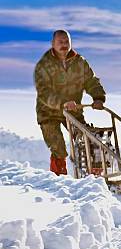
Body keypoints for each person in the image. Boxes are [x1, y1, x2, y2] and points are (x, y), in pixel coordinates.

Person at [34, 29, 106, 175]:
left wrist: (98, 97)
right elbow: (44, 92)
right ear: (53, 43)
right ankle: (59, 179)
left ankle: (97, 177)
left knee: (90, 139)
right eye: (60, 42)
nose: (64, 45)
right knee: (58, 147)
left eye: (67, 41)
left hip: (73, 111)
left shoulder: (80, 62)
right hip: (49, 113)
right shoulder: (44, 65)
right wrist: (62, 103)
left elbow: (91, 81)